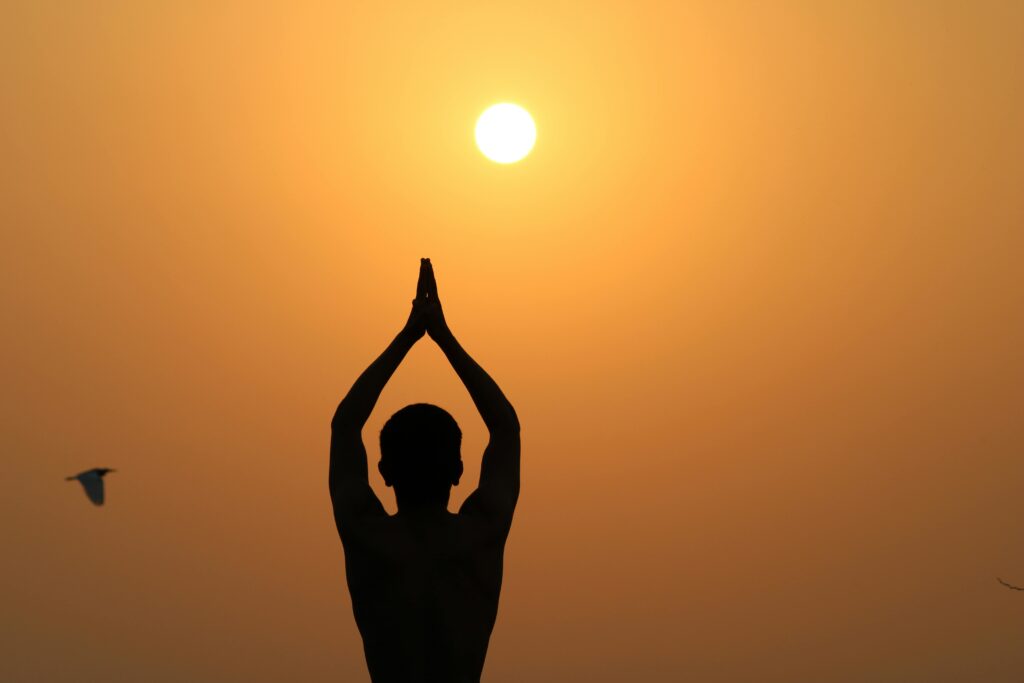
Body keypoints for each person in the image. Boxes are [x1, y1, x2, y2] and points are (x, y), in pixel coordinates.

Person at [330, 258, 520, 683]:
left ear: (384, 472)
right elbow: (506, 427)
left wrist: (409, 336)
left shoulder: (368, 535)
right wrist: (443, 336)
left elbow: (345, 424)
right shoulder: (481, 534)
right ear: (458, 470)